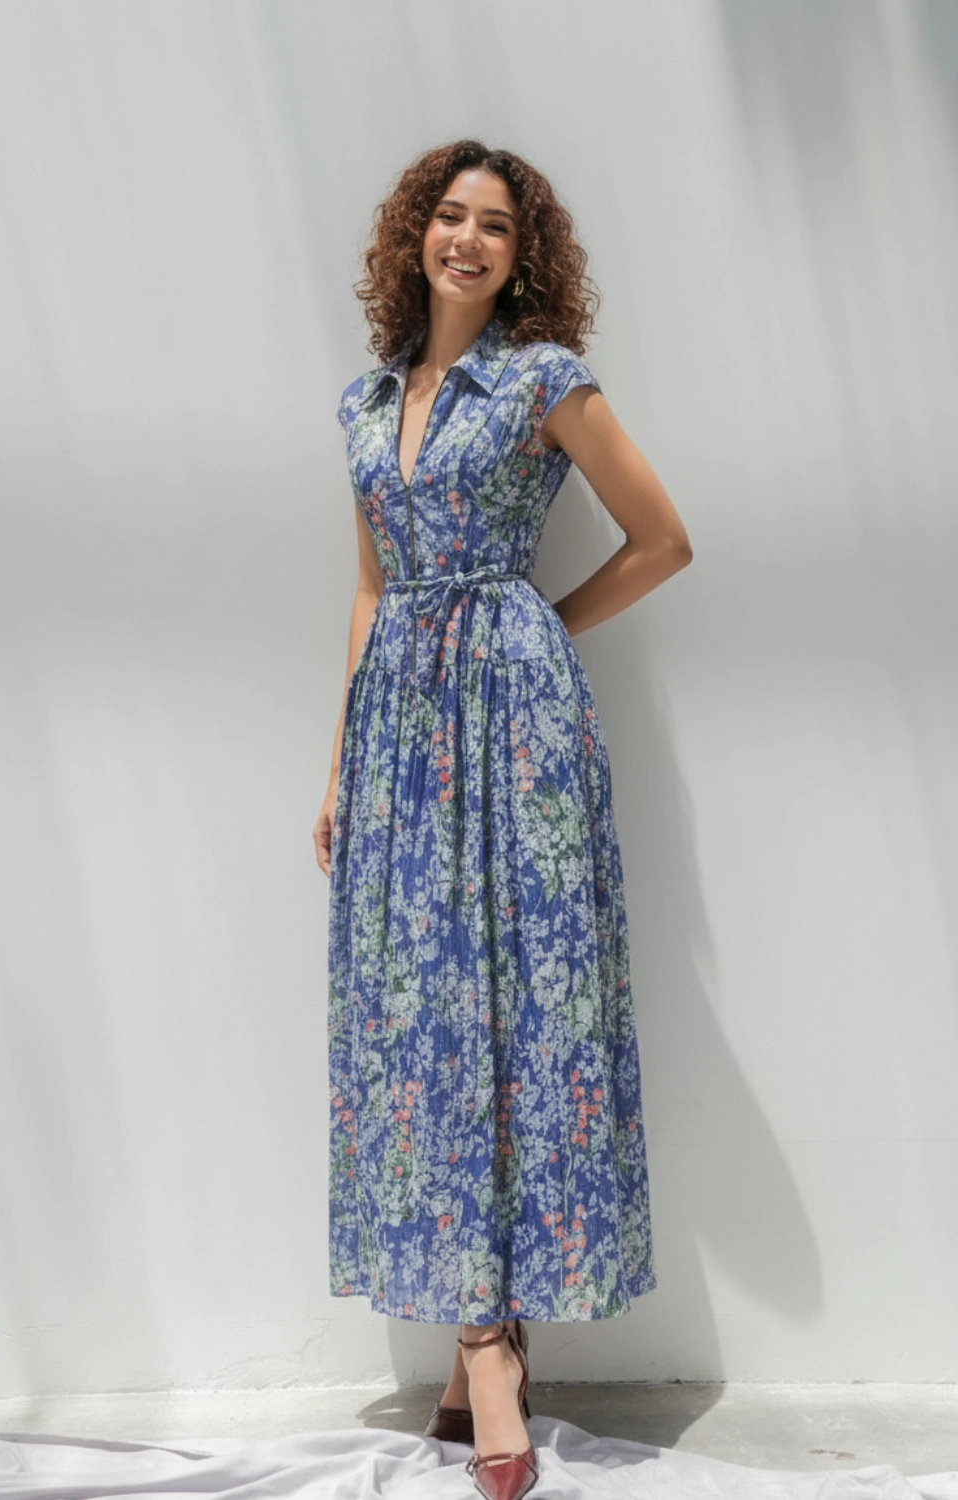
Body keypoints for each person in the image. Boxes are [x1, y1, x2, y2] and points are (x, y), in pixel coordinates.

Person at [314, 139, 692, 1500]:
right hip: (398, 737)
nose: (467, 240)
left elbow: (662, 540)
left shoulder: (544, 382)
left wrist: (533, 625)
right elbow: (371, 588)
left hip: (517, 727)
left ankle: (488, 1348)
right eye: (449, 216)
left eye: (495, 225)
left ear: (523, 257)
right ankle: (483, 1333)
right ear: (412, 235)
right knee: (421, 1020)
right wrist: (341, 766)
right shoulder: (366, 402)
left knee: (523, 1013)